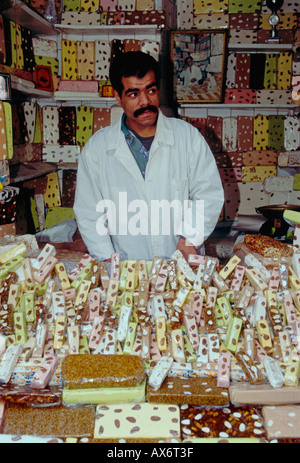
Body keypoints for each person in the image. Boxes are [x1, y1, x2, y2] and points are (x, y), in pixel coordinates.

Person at [74, 51, 224, 262]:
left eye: (151, 90)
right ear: (118, 97)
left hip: (181, 265)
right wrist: (108, 260)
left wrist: (189, 238)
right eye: (134, 94)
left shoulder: (187, 137)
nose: (145, 102)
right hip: (125, 271)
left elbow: (208, 195)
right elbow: (90, 214)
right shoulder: (97, 149)